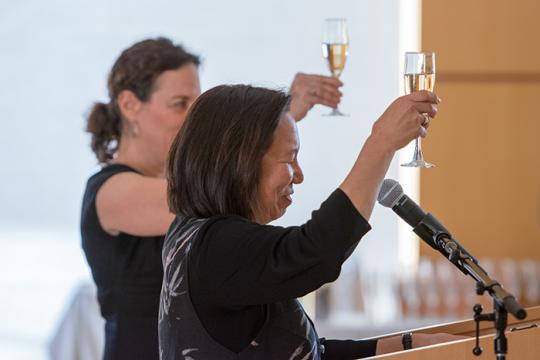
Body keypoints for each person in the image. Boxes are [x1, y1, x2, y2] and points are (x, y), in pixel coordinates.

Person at [81, 37, 344, 360]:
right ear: (130, 105)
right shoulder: (112, 191)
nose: (195, 115)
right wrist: (278, 120)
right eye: (180, 104)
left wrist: (277, 125)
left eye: (198, 102)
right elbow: (219, 183)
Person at [161, 84, 462, 359]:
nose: (300, 175)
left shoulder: (194, 235)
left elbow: (301, 351)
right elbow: (316, 252)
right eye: (289, 159)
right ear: (239, 160)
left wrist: (406, 346)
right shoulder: (216, 246)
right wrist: (381, 144)